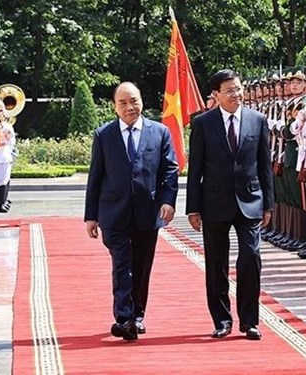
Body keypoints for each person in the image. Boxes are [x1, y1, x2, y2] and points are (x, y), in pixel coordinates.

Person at [84, 81, 179, 341]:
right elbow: (96, 176)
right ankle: (124, 318)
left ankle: (137, 316)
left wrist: (168, 201)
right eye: (123, 103)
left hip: (148, 213)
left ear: (141, 101)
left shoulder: (159, 132)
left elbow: (170, 170)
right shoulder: (104, 135)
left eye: (134, 101)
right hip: (113, 213)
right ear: (114, 107)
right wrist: (91, 216)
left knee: (141, 267)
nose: (129, 107)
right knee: (121, 264)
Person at [186, 69, 274, 340]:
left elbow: (264, 165)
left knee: (251, 257)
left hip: (250, 200)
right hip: (214, 201)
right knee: (216, 263)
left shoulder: (257, 120)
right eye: (229, 91)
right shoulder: (203, 124)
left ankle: (250, 321)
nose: (235, 95)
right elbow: (195, 168)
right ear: (216, 94)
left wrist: (268, 205)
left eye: (238, 89)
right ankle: (222, 320)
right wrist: (193, 207)